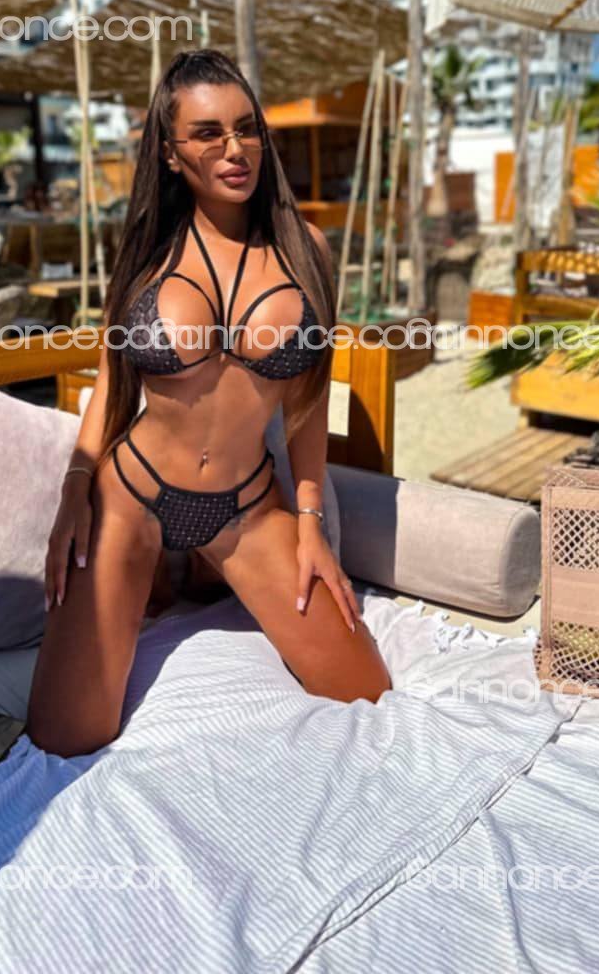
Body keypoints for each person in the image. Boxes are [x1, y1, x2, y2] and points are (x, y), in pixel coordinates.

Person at [26, 50, 391, 757]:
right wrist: (75, 490)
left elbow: (308, 401)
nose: (234, 148)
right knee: (67, 737)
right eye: (207, 133)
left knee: (365, 691)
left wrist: (310, 523)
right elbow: (113, 383)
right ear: (170, 152)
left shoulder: (307, 250)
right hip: (131, 498)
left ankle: (190, 578)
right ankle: (164, 581)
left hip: (245, 509)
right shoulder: (147, 250)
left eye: (247, 128)